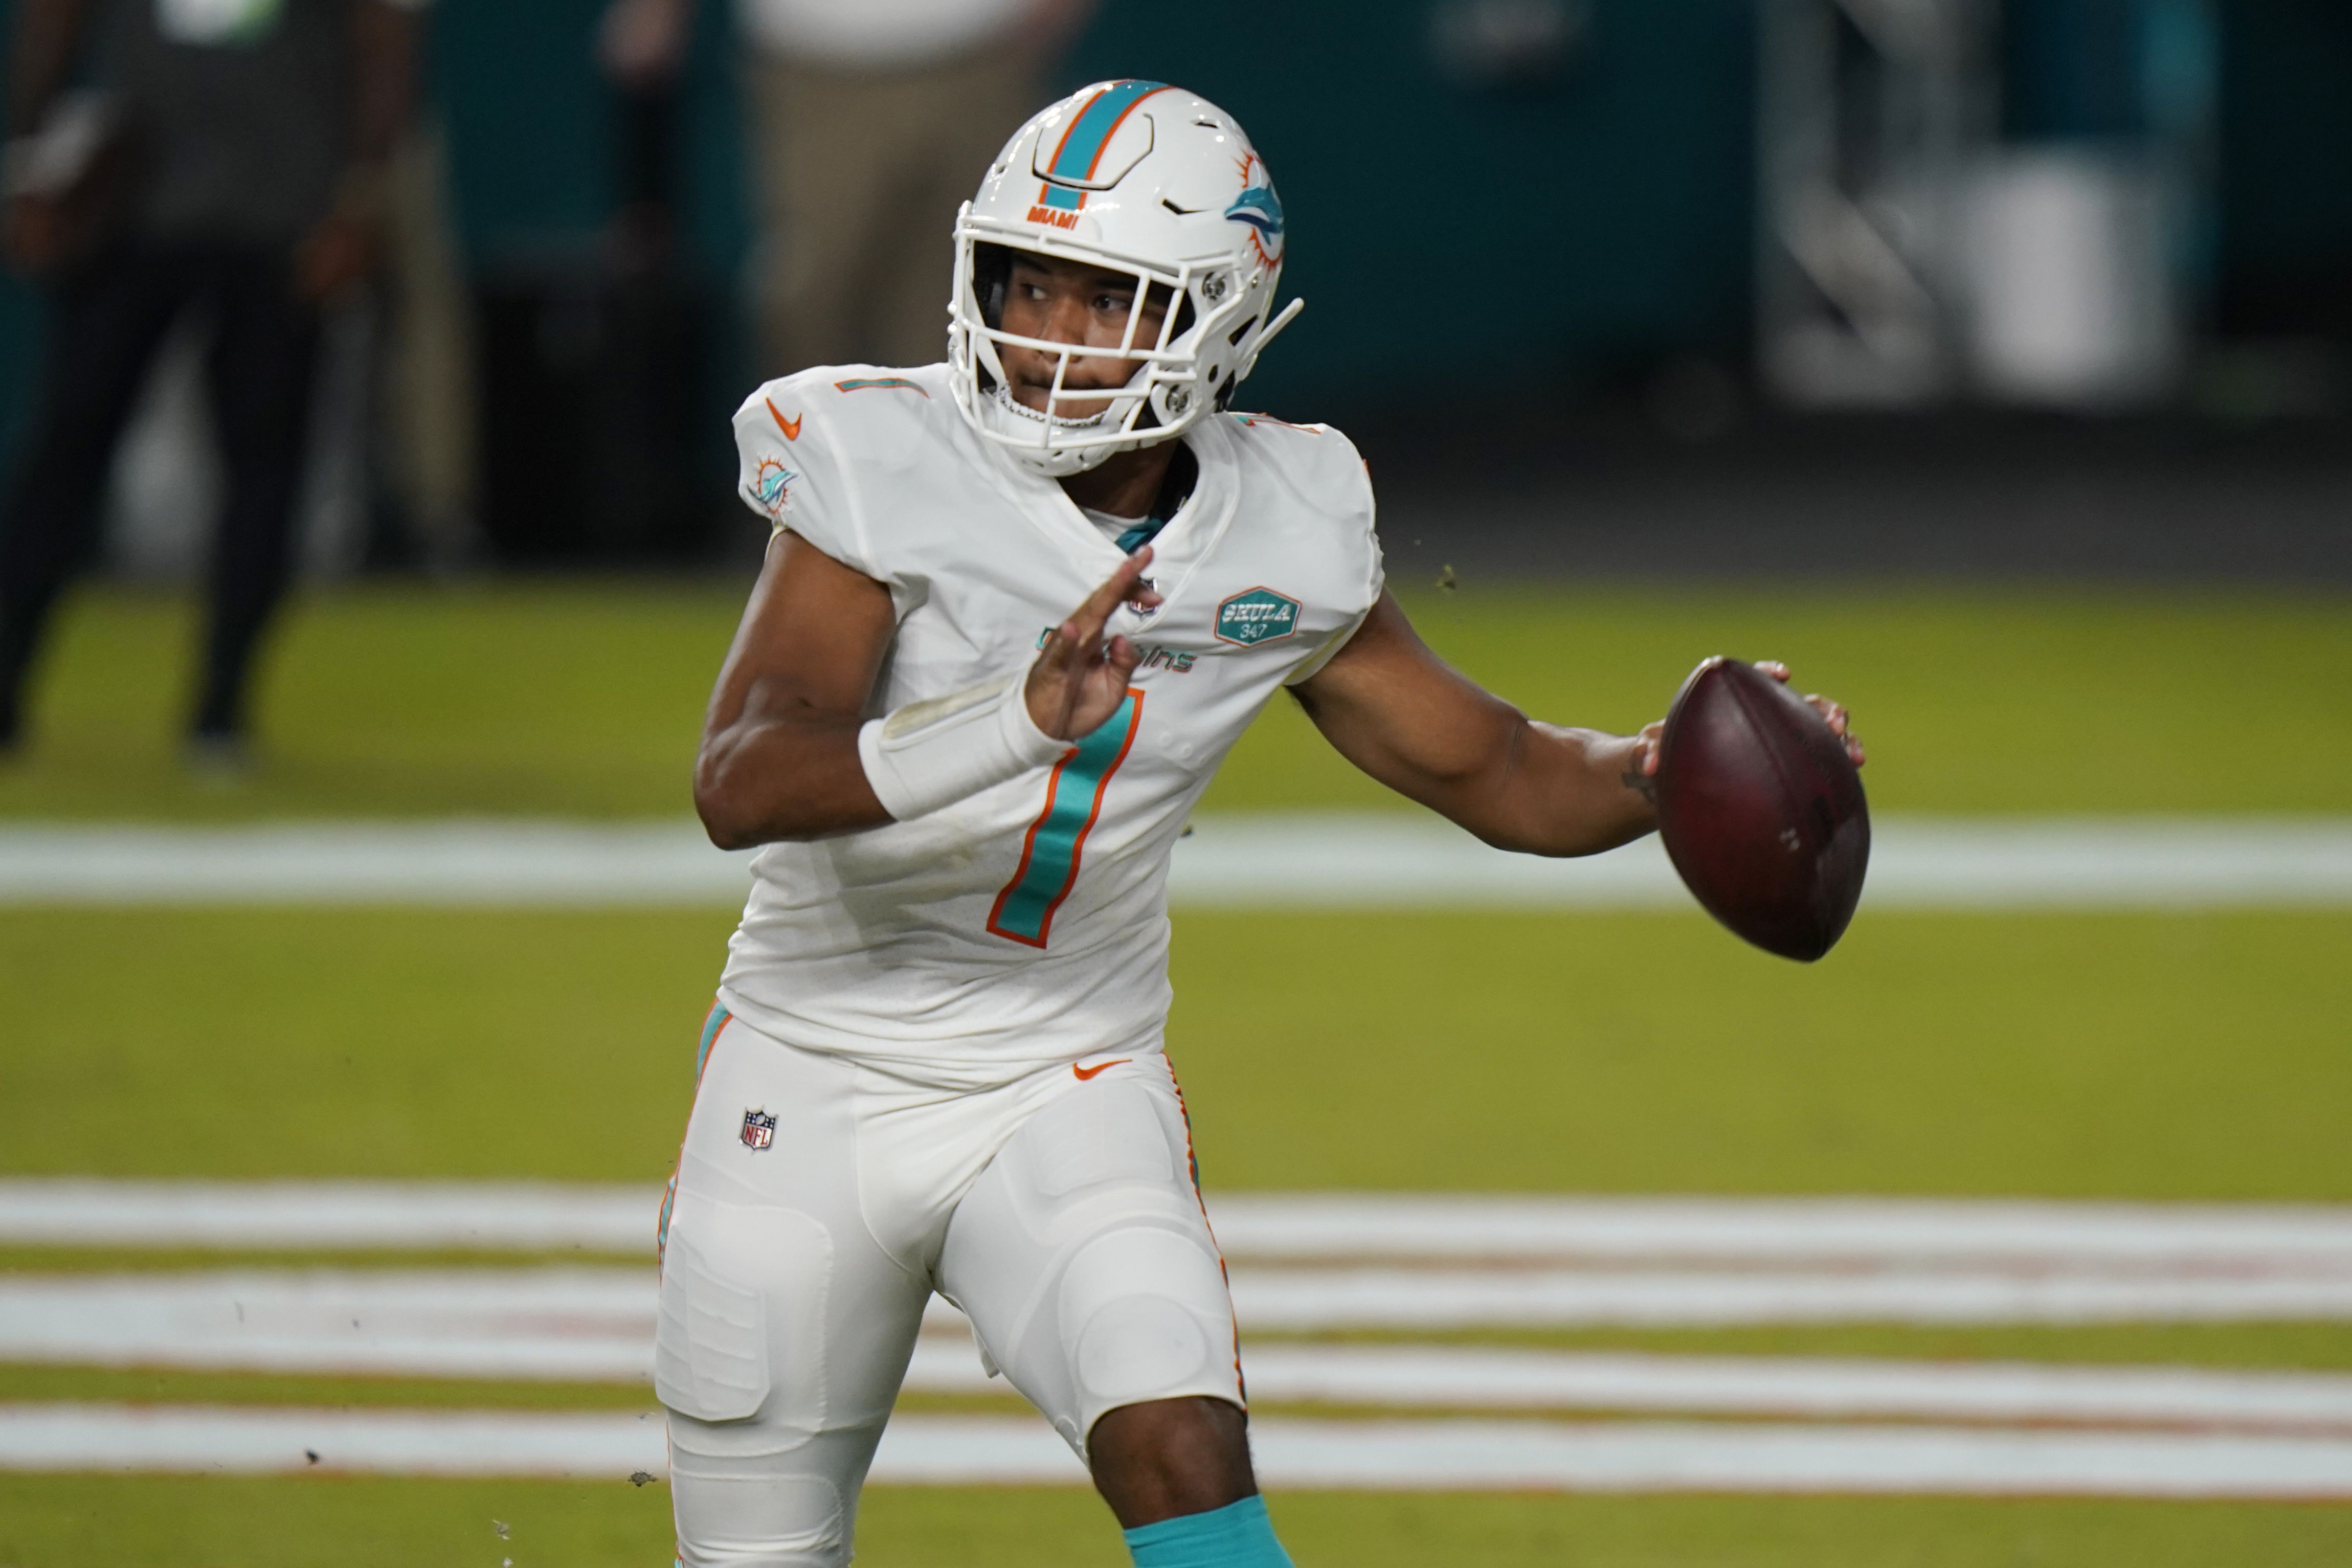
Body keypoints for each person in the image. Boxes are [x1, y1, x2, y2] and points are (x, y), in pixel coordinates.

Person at [668, 81, 1865, 1567]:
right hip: (814, 1063)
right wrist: (1014, 721)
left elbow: (1489, 766)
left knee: (1182, 1437)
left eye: (1103, 295)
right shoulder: (876, 456)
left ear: (1218, 320)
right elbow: (745, 774)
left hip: (1061, 1070)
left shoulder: (1281, 520)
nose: (1045, 329)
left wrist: (1666, 768)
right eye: (1025, 280)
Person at [0, 0, 422, 765]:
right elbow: (54, 17)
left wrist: (361, 193)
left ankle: (222, 704)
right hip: (137, 206)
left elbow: (383, 35)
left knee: (263, 465)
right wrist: (30, 155)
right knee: (66, 448)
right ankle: (9, 677)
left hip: (279, 214)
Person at [599, 0, 1093, 376]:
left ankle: (952, 503)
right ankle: (797, 502)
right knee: (809, 301)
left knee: (971, 304)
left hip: (983, 57)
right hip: (815, 66)